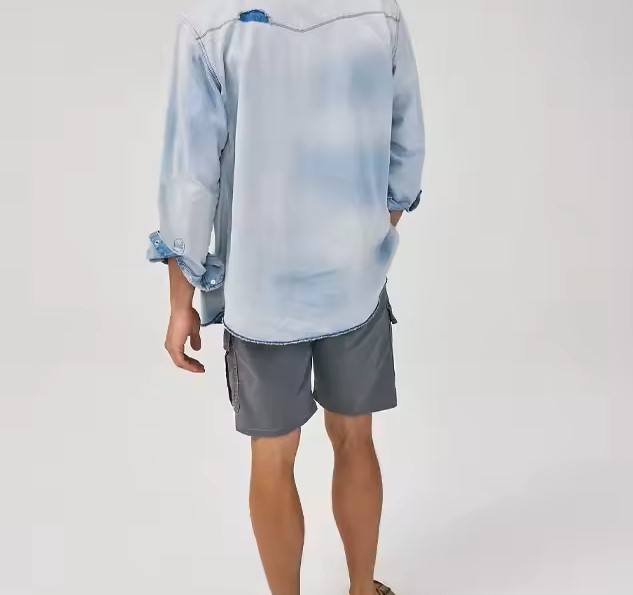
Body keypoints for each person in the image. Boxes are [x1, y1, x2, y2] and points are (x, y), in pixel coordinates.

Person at [146, 0, 425, 593]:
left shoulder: (211, 23)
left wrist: (179, 301)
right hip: (353, 280)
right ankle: (362, 588)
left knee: (272, 457)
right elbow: (406, 137)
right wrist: (374, 232)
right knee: (356, 438)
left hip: (261, 288)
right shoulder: (378, 11)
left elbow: (191, 175)